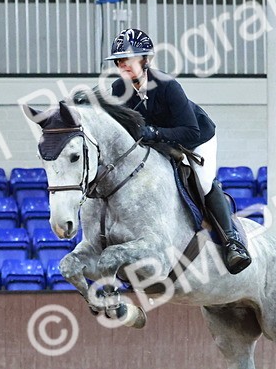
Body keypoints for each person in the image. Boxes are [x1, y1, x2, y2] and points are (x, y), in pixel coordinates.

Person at [104, 28, 252, 274]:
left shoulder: (168, 86)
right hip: (158, 143)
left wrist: (155, 133)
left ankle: (232, 241)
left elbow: (191, 131)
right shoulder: (119, 89)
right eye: (119, 61)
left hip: (196, 138)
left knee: (203, 182)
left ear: (146, 60)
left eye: (128, 60)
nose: (123, 65)